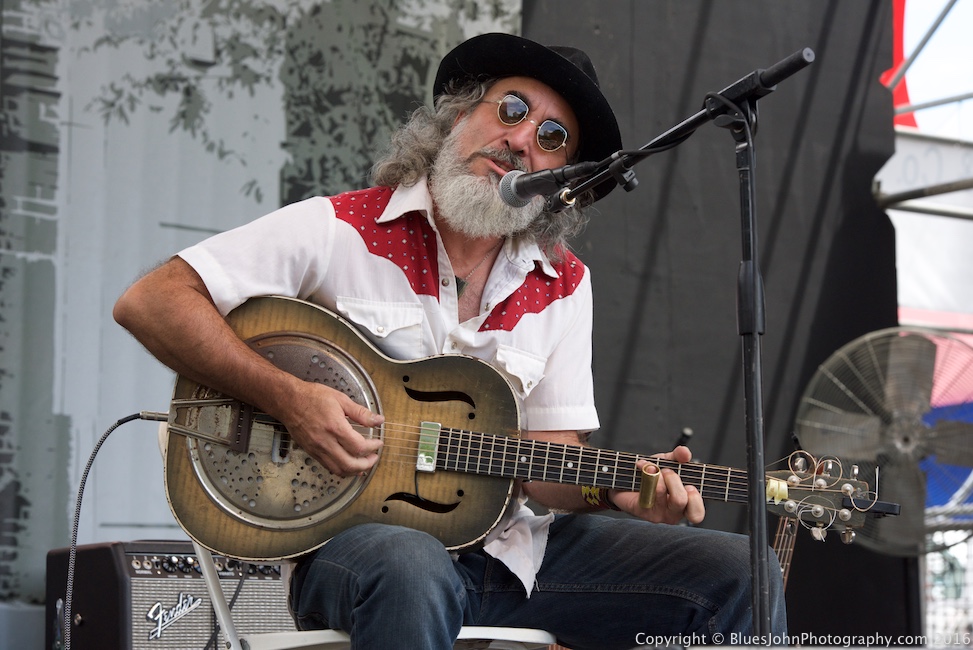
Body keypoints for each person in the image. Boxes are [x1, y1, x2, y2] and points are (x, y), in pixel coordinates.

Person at [114, 32, 786, 649]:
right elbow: (153, 302)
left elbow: (546, 463)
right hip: (363, 553)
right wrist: (289, 399)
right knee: (412, 564)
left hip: (512, 560)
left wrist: (617, 492)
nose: (523, 140)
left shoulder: (563, 283)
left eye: (552, 136)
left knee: (736, 570)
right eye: (511, 109)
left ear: (564, 181)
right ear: (457, 115)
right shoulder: (338, 229)